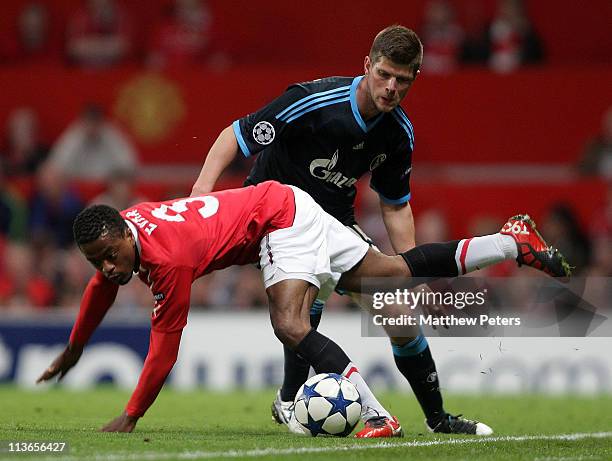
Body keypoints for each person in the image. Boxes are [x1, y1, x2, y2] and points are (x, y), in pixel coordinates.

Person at [36, 181, 569, 433]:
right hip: (289, 204)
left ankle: (378, 415)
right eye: (97, 261)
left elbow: (164, 348)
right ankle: (511, 242)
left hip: (277, 218)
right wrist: (75, 348)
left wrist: (131, 417)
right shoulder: (125, 228)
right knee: (394, 271)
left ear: (122, 237)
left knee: (289, 323)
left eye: (109, 256)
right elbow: (101, 289)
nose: (106, 268)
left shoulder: (167, 260)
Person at [189, 24, 486, 436]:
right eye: (384, 74)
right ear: (367, 65)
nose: (391, 87)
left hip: (334, 226)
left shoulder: (398, 133)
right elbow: (235, 136)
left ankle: (438, 419)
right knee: (305, 305)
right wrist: (201, 195)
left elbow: (396, 206)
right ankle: (291, 400)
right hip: (278, 219)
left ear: (415, 78)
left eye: (403, 80)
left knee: (399, 316)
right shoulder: (312, 101)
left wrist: (410, 272)